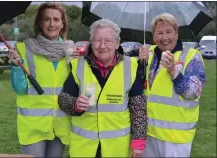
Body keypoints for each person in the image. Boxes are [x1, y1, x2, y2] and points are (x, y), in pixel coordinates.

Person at [58, 19, 147, 157]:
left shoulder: (131, 67)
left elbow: (138, 108)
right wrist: (75, 105)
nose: (102, 45)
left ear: (117, 44)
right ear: (91, 43)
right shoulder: (79, 66)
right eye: (97, 40)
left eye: (108, 41)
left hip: (116, 149)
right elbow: (63, 98)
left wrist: (138, 142)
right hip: (84, 148)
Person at [8, 2, 81, 157]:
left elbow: (79, 85)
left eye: (56, 19)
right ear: (40, 23)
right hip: (33, 126)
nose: (51, 24)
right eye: (46, 19)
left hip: (60, 125)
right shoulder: (23, 49)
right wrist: (16, 66)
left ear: (62, 24)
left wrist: (78, 64)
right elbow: (20, 90)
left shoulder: (72, 52)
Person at [139, 13, 206, 157]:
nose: (164, 38)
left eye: (169, 32)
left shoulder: (191, 55)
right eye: (159, 33)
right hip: (149, 133)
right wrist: (139, 63)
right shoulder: (148, 53)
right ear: (153, 36)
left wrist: (173, 71)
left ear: (176, 33)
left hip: (175, 139)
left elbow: (193, 92)